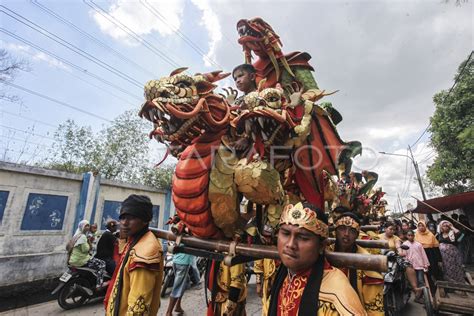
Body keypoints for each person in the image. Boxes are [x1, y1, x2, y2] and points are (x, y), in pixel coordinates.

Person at [268, 202, 366, 315]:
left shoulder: (339, 294)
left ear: (321, 246)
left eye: (303, 238)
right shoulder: (283, 276)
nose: (290, 244)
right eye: (285, 233)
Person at [104, 195, 163, 316]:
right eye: (123, 217)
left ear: (145, 220)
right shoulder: (135, 239)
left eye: (131, 218)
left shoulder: (145, 253)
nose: (124, 223)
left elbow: (138, 308)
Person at [333, 212, 384, 315]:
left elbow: (374, 309)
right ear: (335, 232)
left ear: (357, 235)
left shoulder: (367, 262)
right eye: (342, 228)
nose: (346, 233)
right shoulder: (323, 253)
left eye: (352, 230)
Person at [69, 220, 106, 288]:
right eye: (86, 225)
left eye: (88, 225)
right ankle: (99, 285)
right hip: (80, 260)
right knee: (102, 264)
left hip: (73, 259)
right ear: (82, 226)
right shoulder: (82, 237)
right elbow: (86, 249)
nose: (88, 227)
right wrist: (89, 242)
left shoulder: (77, 234)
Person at [415, 220, 442, 293]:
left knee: (434, 271)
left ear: (425, 226)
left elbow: (436, 248)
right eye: (419, 226)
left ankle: (440, 288)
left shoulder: (430, 235)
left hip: (431, 255)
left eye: (422, 225)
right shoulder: (416, 235)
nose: (421, 227)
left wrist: (439, 260)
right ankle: (430, 290)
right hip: (421, 256)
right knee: (426, 273)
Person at [401, 230, 429, 302]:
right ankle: (417, 297)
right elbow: (404, 256)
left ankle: (421, 297)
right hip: (410, 266)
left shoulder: (418, 244)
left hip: (419, 265)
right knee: (413, 283)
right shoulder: (405, 244)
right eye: (409, 235)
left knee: (421, 281)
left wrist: (426, 264)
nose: (410, 237)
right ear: (407, 236)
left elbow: (423, 254)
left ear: (414, 236)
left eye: (412, 235)